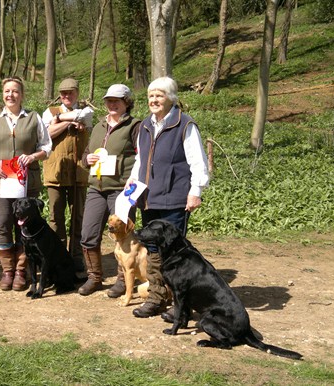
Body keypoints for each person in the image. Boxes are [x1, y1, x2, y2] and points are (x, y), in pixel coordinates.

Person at [127, 76, 209, 318]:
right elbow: (141, 160)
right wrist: (133, 182)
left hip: (174, 198)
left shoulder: (185, 125)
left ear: (171, 98)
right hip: (149, 199)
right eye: (151, 95)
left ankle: (179, 304)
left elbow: (198, 161)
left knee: (174, 254)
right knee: (152, 250)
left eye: (159, 95)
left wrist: (196, 191)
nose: (153, 100)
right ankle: (156, 298)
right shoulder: (144, 126)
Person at [0, 76, 52, 291]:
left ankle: (21, 271)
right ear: (3, 94)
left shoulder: (34, 118)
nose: (11, 95)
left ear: (22, 94)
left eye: (15, 91)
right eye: (7, 91)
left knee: (26, 227)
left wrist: (33, 157)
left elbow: (47, 147)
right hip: (0, 182)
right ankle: (7, 271)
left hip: (27, 183)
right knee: (2, 226)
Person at [78, 84, 141, 296]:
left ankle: (123, 280)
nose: (112, 104)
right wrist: (86, 159)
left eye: (117, 100)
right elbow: (86, 154)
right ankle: (94, 277)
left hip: (121, 189)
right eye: (109, 100)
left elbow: (142, 156)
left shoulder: (135, 126)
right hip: (96, 187)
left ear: (127, 103)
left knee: (123, 236)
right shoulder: (98, 126)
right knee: (88, 234)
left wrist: (132, 179)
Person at [41, 78, 93, 274]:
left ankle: (77, 256)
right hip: (55, 171)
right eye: (63, 93)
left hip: (79, 171)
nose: (66, 96)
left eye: (70, 92)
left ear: (77, 93)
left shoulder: (87, 110)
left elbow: (85, 117)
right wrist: (69, 121)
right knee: (56, 217)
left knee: (79, 217)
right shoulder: (49, 112)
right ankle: (59, 255)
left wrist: (61, 119)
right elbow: (47, 134)